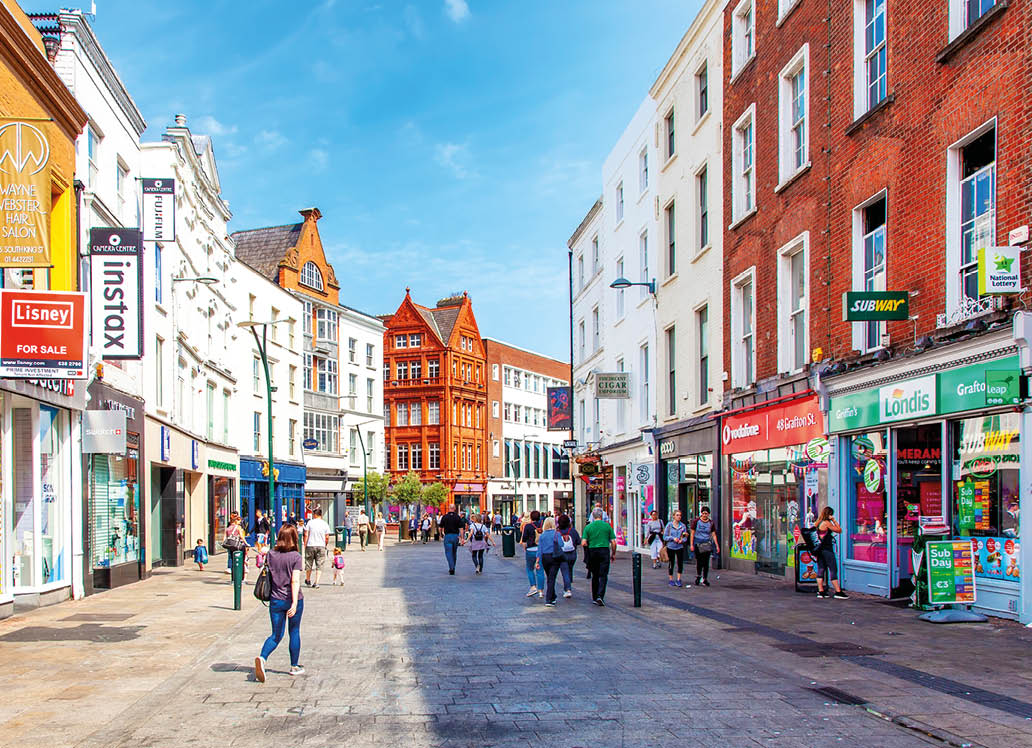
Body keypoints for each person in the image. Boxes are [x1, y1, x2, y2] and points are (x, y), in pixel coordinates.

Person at [254, 523, 305, 682]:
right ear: (294, 538)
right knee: (294, 631)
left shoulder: (271, 554)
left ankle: (262, 658)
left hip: (276, 600)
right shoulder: (296, 557)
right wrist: (295, 603)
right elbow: (295, 581)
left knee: (276, 634)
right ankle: (294, 666)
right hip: (291, 598)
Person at [582, 508, 616, 605]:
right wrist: (613, 553)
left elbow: (583, 542)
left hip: (593, 551)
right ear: (601, 516)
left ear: (593, 515)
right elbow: (613, 542)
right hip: (604, 550)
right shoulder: (607, 526)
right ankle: (600, 596)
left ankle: (594, 596)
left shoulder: (588, 527)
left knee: (595, 575)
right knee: (603, 575)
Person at [814, 507, 849, 599]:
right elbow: (839, 530)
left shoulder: (818, 523)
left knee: (821, 569)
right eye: (831, 514)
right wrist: (834, 520)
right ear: (829, 514)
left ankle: (820, 591)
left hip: (819, 550)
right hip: (827, 550)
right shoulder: (827, 523)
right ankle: (838, 591)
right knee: (833, 569)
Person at [690, 506, 720, 586]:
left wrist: (717, 545)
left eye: (706, 513)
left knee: (706, 562)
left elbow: (713, 534)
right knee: (699, 561)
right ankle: (699, 576)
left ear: (708, 514)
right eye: (703, 513)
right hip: (698, 542)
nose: (704, 515)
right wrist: (691, 544)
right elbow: (692, 533)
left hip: (706, 543)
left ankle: (705, 578)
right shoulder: (696, 521)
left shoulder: (711, 523)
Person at [303, 507, 331, 589]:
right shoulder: (325, 524)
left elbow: (306, 534)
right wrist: (325, 544)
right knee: (320, 564)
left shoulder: (310, 523)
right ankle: (317, 582)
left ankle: (308, 580)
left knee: (308, 563)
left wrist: (305, 544)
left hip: (310, 545)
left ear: (314, 515)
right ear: (321, 515)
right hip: (321, 545)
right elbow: (327, 537)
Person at [536, 517, 561, 607]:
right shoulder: (556, 534)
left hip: (545, 557)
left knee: (549, 577)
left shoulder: (542, 535)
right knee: (552, 578)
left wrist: (537, 561)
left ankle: (553, 596)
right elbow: (561, 544)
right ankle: (549, 599)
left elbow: (540, 549)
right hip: (554, 556)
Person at [555, 514, 580, 599]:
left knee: (565, 571)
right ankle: (569, 581)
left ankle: (568, 589)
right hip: (572, 554)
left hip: (562, 554)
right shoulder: (572, 531)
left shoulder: (558, 532)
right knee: (569, 568)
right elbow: (578, 541)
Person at [521, 510, 545, 597]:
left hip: (530, 549)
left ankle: (533, 586)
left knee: (530, 569)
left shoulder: (527, 526)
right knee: (540, 570)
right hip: (541, 550)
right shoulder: (543, 525)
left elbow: (524, 540)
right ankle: (541, 591)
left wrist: (525, 549)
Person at [438, 505, 466, 575]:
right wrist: (462, 538)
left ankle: (451, 567)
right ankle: (453, 566)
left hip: (447, 536)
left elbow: (440, 527)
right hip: (455, 536)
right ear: (455, 509)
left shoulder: (444, 517)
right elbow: (461, 528)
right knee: (454, 552)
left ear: (449, 508)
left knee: (448, 553)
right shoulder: (458, 517)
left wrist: (441, 535)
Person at [664, 510, 689, 587]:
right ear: (674, 516)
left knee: (680, 563)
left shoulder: (683, 526)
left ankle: (679, 579)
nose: (679, 517)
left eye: (680, 515)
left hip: (679, 547)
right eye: (677, 515)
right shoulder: (669, 525)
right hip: (671, 546)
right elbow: (665, 537)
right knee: (671, 563)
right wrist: (672, 538)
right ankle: (671, 579)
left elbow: (685, 537)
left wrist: (682, 540)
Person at [224, 513, 249, 579]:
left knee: (233, 561)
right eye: (238, 521)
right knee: (241, 561)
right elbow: (241, 537)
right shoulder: (238, 527)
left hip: (231, 546)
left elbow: (225, 537)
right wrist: (247, 544)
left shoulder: (228, 528)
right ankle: (241, 578)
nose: (240, 522)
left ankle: (233, 578)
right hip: (238, 546)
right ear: (236, 521)